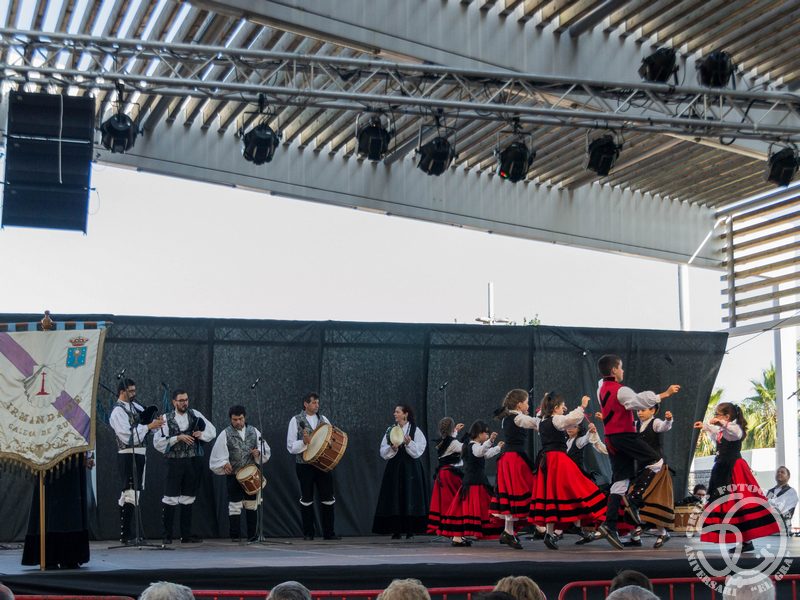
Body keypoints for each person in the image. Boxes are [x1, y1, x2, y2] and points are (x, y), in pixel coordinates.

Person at [595, 354, 680, 550]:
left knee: (620, 482)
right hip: (623, 435)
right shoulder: (620, 390)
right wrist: (664, 394)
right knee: (657, 461)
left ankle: (609, 524)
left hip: (611, 438)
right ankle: (634, 500)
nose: (622, 371)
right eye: (620, 367)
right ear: (614, 370)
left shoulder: (602, 389)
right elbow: (638, 402)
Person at [695, 402, 780, 553]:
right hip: (722, 469)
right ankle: (745, 541)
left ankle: (746, 541)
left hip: (734, 469)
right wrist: (705, 426)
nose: (715, 416)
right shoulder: (722, 432)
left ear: (727, 416)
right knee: (728, 504)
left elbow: (737, 433)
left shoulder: (733, 429)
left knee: (740, 503)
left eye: (717, 414)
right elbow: (716, 433)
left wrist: (721, 422)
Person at [529, 392, 606, 549]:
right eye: (562, 406)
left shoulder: (541, 421)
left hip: (546, 461)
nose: (564, 409)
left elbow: (536, 416)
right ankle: (589, 519)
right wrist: (582, 406)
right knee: (579, 488)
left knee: (552, 496)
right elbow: (571, 419)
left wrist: (547, 401)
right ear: (555, 408)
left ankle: (550, 533)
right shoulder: (556, 420)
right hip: (557, 460)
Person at [153, 389, 216, 544]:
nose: (184, 403)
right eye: (181, 400)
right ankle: (167, 535)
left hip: (192, 461)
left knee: (188, 497)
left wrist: (201, 435)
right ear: (174, 402)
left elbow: (212, 431)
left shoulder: (195, 414)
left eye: (186, 400)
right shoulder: (166, 418)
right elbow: (158, 443)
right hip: (174, 462)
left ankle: (185, 535)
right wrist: (177, 438)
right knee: (170, 497)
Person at [110, 378, 165, 544]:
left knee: (134, 492)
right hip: (128, 454)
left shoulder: (135, 406)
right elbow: (127, 436)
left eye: (134, 390)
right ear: (122, 392)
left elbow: (147, 423)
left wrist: (155, 423)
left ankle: (127, 534)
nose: (134, 394)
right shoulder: (118, 411)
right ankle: (126, 534)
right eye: (131, 391)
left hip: (140, 453)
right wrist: (148, 427)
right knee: (130, 492)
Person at [209, 405, 270, 542]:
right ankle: (235, 536)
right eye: (235, 419)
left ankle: (252, 535)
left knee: (251, 504)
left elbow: (265, 449)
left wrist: (258, 453)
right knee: (234, 505)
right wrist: (224, 463)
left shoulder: (254, 431)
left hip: (251, 474)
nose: (238, 422)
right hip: (234, 475)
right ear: (230, 419)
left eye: (240, 419)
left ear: (245, 417)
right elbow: (217, 455)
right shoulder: (225, 433)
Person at [21, 453, 93, 569]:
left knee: (71, 502)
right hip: (48, 455)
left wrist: (88, 455)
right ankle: (50, 557)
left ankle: (70, 556)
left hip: (73, 455)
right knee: (51, 501)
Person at [439, 420, 503, 546]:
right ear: (479, 434)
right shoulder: (473, 446)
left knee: (464, 510)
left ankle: (457, 537)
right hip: (475, 483)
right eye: (486, 433)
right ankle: (504, 531)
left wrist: (497, 448)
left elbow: (485, 454)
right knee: (484, 508)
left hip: (473, 482)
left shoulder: (472, 446)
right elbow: (481, 452)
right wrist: (490, 441)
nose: (487, 435)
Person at [286, 392, 340, 540]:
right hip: (304, 466)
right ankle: (308, 533)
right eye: (314, 402)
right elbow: (290, 446)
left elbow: (331, 438)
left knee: (328, 498)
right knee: (307, 498)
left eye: (318, 403)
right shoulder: (296, 420)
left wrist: (331, 442)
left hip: (323, 464)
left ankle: (329, 533)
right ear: (306, 404)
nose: (317, 405)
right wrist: (303, 442)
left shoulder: (324, 420)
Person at [490, 388, 539, 549]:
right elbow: (536, 423)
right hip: (514, 459)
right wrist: (545, 412)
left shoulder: (508, 417)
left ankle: (509, 531)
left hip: (510, 458)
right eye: (526, 403)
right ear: (519, 405)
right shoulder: (518, 418)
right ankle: (539, 527)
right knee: (523, 490)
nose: (528, 405)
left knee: (513, 493)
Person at [372, 405, 428, 539]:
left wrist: (409, 444)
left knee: (410, 496)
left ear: (405, 414)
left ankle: (410, 530)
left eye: (397, 412)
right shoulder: (390, 430)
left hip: (411, 469)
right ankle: (396, 530)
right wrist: (392, 449)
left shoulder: (415, 430)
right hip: (395, 468)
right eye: (395, 412)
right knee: (395, 497)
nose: (394, 414)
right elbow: (383, 451)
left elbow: (419, 450)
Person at [624, 404, 674, 549]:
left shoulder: (655, 423)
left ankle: (661, 532)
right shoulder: (635, 425)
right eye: (638, 410)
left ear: (653, 411)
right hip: (641, 467)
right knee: (632, 499)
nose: (639, 413)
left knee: (651, 500)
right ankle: (636, 535)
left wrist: (668, 420)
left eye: (643, 410)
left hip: (656, 467)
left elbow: (664, 427)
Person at [427, 417, 464, 535]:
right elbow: (465, 448)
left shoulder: (441, 442)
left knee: (445, 502)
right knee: (454, 502)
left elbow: (450, 441)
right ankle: (453, 529)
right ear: (451, 428)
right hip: (450, 475)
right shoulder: (453, 443)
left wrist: (455, 431)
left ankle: (447, 527)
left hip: (442, 474)